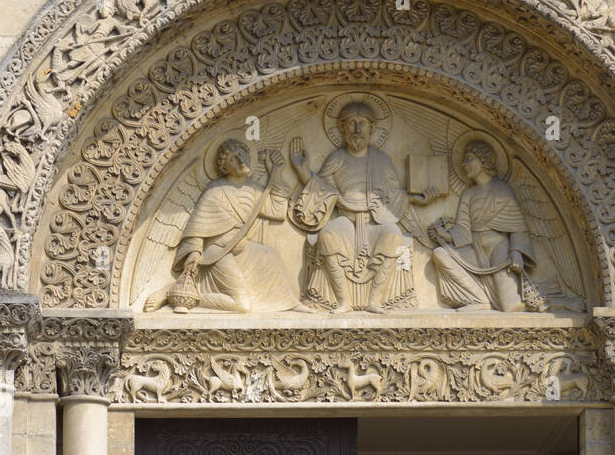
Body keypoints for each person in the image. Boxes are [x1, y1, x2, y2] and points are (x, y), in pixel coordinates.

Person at [289, 100, 437, 312]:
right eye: (351, 123)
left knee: (394, 235)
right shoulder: (337, 158)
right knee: (327, 236)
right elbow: (320, 189)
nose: (357, 129)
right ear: (342, 127)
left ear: (372, 128)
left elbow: (395, 194)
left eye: (362, 123)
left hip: (375, 221)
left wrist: (417, 199)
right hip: (346, 219)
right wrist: (301, 170)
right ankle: (343, 302)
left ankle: (374, 301)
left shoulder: (382, 160)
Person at [144, 139, 303, 314]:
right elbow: (197, 227)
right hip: (218, 253)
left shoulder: (253, 188)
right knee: (241, 305)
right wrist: (195, 252)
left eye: (242, 154)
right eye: (233, 159)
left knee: (270, 256)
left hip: (242, 251)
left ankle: (289, 303)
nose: (241, 160)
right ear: (224, 167)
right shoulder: (215, 191)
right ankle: (174, 293)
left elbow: (277, 211)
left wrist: (277, 173)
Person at [430, 140, 535, 311]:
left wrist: (516, 252)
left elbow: (517, 226)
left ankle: (559, 302)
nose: (464, 164)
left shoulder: (502, 189)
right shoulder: (468, 194)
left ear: (483, 160)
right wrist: (443, 234)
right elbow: (463, 231)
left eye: (469, 159)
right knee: (440, 253)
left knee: (510, 307)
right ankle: (479, 300)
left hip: (498, 249)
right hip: (476, 250)